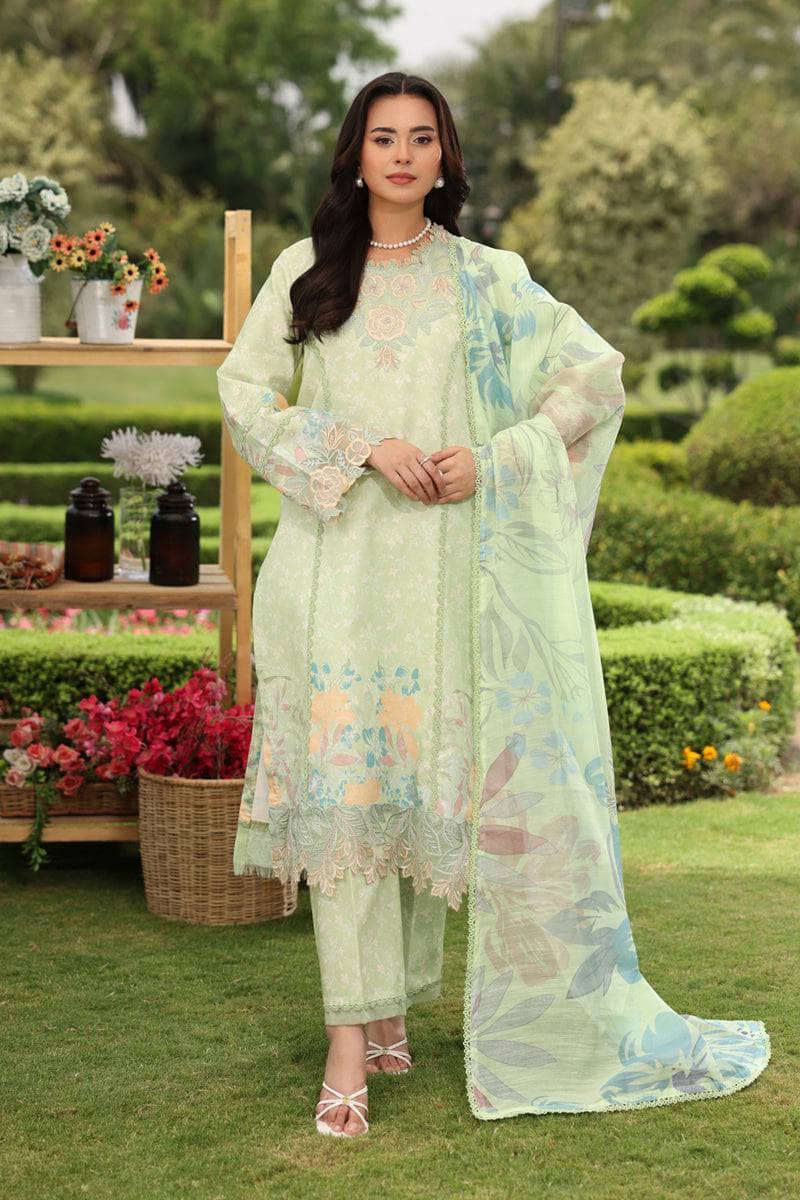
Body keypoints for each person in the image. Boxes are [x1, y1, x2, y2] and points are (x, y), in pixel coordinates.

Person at [217, 71, 770, 1139]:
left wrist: (498, 455)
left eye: (422, 138)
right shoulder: (304, 271)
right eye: (383, 137)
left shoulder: (486, 279)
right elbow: (244, 395)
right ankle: (349, 1037)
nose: (402, 156)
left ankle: (389, 1010)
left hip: (445, 579)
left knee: (421, 798)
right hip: (335, 571)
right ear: (355, 154)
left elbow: (592, 378)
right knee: (346, 795)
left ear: (444, 158)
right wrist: (356, 444)